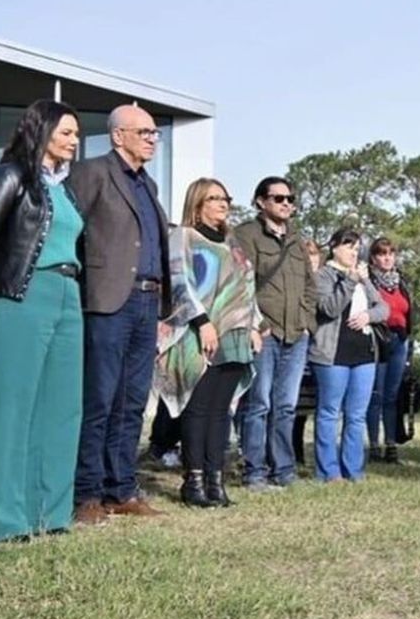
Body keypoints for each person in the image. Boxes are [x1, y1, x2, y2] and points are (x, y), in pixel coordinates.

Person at [0, 99, 87, 540]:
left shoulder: (65, 189)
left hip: (68, 295)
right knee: (10, 410)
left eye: (76, 133)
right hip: (20, 295)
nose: (74, 140)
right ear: (41, 130)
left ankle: (50, 514)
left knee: (61, 409)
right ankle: (6, 519)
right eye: (66, 132)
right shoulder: (9, 175)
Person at [67, 104, 170, 524]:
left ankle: (121, 487)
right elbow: (70, 233)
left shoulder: (148, 185)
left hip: (147, 302)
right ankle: (86, 491)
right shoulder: (91, 173)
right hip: (108, 300)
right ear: (117, 136)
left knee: (131, 402)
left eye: (154, 133)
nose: (151, 138)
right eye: (143, 132)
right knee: (99, 399)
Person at [154, 178, 261, 508]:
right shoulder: (183, 237)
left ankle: (216, 480)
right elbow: (180, 281)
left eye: (225, 197)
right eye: (214, 198)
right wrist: (202, 323)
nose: (223, 203)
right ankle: (194, 480)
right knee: (198, 409)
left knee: (221, 411)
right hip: (197, 335)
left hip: (235, 335)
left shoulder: (234, 244)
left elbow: (246, 288)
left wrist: (255, 325)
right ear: (198, 203)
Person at [234, 176, 316, 491]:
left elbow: (309, 284)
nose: (286, 204)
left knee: (286, 406)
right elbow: (241, 283)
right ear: (260, 201)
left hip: (297, 333)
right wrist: (255, 325)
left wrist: (307, 322)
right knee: (259, 404)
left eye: (290, 199)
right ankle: (255, 471)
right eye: (279, 198)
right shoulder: (245, 235)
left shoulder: (297, 239)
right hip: (264, 331)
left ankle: (284, 470)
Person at [310, 229, 386, 484]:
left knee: (356, 414)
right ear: (334, 248)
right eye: (348, 247)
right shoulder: (323, 276)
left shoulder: (364, 278)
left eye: (356, 249)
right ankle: (328, 471)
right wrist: (351, 281)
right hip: (332, 354)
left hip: (364, 353)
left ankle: (354, 469)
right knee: (330, 412)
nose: (353, 253)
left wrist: (368, 316)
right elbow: (329, 308)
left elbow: (383, 308)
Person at [366, 236, 413, 464]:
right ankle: (374, 444)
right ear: (373, 258)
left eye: (391, 254)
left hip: (400, 339)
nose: (387, 258)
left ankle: (391, 443)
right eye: (382, 254)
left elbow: (407, 311)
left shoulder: (401, 281)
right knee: (376, 395)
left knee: (392, 396)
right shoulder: (368, 281)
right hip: (378, 340)